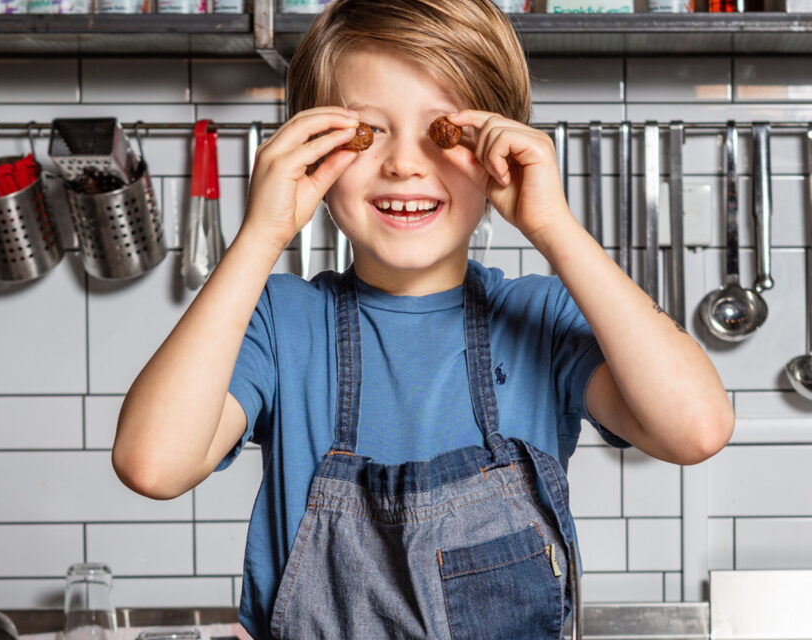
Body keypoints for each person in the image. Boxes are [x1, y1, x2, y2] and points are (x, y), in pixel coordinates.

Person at [112, 0, 735, 637]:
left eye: (444, 132)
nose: (404, 164)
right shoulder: (280, 322)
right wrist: (258, 237)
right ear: (310, 152)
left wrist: (556, 229)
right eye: (365, 133)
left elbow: (697, 429)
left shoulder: (541, 319)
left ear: (501, 149)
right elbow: (153, 465)